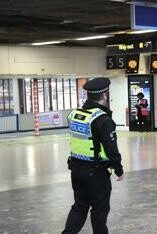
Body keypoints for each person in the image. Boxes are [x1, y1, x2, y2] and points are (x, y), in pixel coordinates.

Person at [62, 78, 124, 234]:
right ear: (104, 95)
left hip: (76, 170)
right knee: (99, 211)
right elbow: (111, 150)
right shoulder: (103, 120)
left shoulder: (74, 114)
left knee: (79, 207)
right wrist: (119, 169)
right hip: (96, 173)